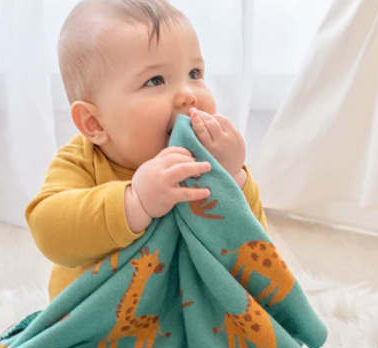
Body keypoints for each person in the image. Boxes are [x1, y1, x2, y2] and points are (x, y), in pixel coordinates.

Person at [25, 0, 268, 302]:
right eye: (155, 80)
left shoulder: (206, 163)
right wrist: (134, 202)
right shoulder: (82, 161)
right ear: (94, 122)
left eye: (194, 73)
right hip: (103, 321)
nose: (188, 95)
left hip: (188, 315)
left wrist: (233, 178)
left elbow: (255, 245)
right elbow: (48, 231)